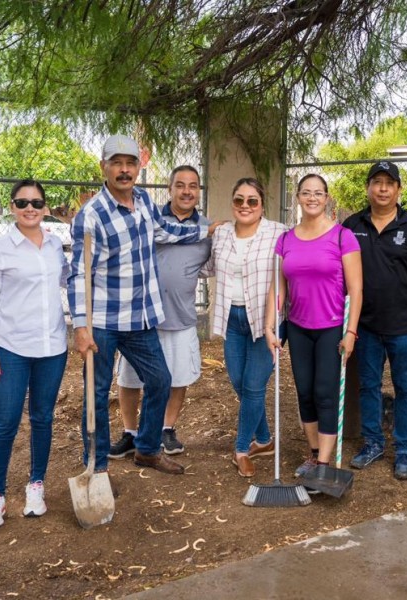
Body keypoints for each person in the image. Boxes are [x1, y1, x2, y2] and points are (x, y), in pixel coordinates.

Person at [68, 134, 218, 479]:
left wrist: (206, 228)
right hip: (103, 321)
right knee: (96, 390)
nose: (124, 170)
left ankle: (147, 449)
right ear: (103, 167)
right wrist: (80, 326)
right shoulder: (91, 216)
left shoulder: (144, 201)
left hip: (140, 318)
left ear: (139, 166)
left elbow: (164, 230)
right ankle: (97, 466)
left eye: (130, 163)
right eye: (116, 163)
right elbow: (78, 276)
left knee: (160, 379)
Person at [0, 180, 69, 528]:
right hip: (11, 348)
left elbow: (67, 282)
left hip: (52, 347)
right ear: (12, 206)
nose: (29, 208)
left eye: (36, 202)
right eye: (22, 202)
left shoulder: (55, 245)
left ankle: (36, 486)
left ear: (45, 206)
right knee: (7, 422)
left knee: (43, 418)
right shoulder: (0, 249)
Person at [342, 161, 407, 480]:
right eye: (377, 182)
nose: (382, 188)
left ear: (399, 190)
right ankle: (373, 443)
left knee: (405, 388)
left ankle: (403, 451)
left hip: (403, 327)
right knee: (369, 386)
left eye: (389, 182)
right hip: (366, 327)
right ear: (368, 188)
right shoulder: (351, 224)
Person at [108, 165, 212, 459]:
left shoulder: (206, 230)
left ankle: (166, 429)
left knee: (177, 379)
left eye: (193, 186)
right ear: (170, 189)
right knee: (129, 379)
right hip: (140, 318)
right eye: (180, 185)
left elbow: (211, 265)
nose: (187, 191)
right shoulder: (148, 219)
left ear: (198, 191)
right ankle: (130, 433)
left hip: (180, 318)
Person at [265, 174, 362, 477]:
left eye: (318, 193)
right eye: (306, 193)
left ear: (327, 197)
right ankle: (314, 454)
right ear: (297, 197)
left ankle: (324, 465)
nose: (312, 198)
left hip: (332, 327)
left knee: (325, 392)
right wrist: (270, 326)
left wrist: (351, 332)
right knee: (305, 392)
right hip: (298, 327)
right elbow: (278, 290)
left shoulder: (342, 236)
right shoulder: (285, 240)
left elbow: (357, 290)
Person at [202, 177, 287, 477]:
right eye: (239, 200)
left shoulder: (279, 233)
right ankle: (264, 440)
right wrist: (203, 233)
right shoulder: (222, 233)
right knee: (240, 384)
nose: (245, 206)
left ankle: (242, 449)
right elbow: (206, 266)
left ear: (262, 204)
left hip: (267, 322)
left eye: (252, 200)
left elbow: (294, 270)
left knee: (253, 386)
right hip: (232, 318)